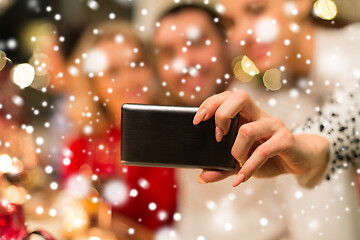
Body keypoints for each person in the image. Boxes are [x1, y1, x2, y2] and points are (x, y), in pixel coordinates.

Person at [195, 0, 360, 239]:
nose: (242, 34)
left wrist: (311, 144)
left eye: (256, 10)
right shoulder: (269, 89)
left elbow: (352, 110)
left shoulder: (353, 48)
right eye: (231, 23)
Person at [153, 4, 289, 240]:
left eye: (196, 43)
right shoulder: (180, 122)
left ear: (227, 45)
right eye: (168, 52)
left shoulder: (280, 116)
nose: (182, 62)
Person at [58, 21, 177, 239]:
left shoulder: (178, 134)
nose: (130, 79)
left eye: (137, 64)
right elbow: (75, 222)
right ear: (93, 84)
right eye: (112, 71)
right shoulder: (80, 147)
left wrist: (117, 228)